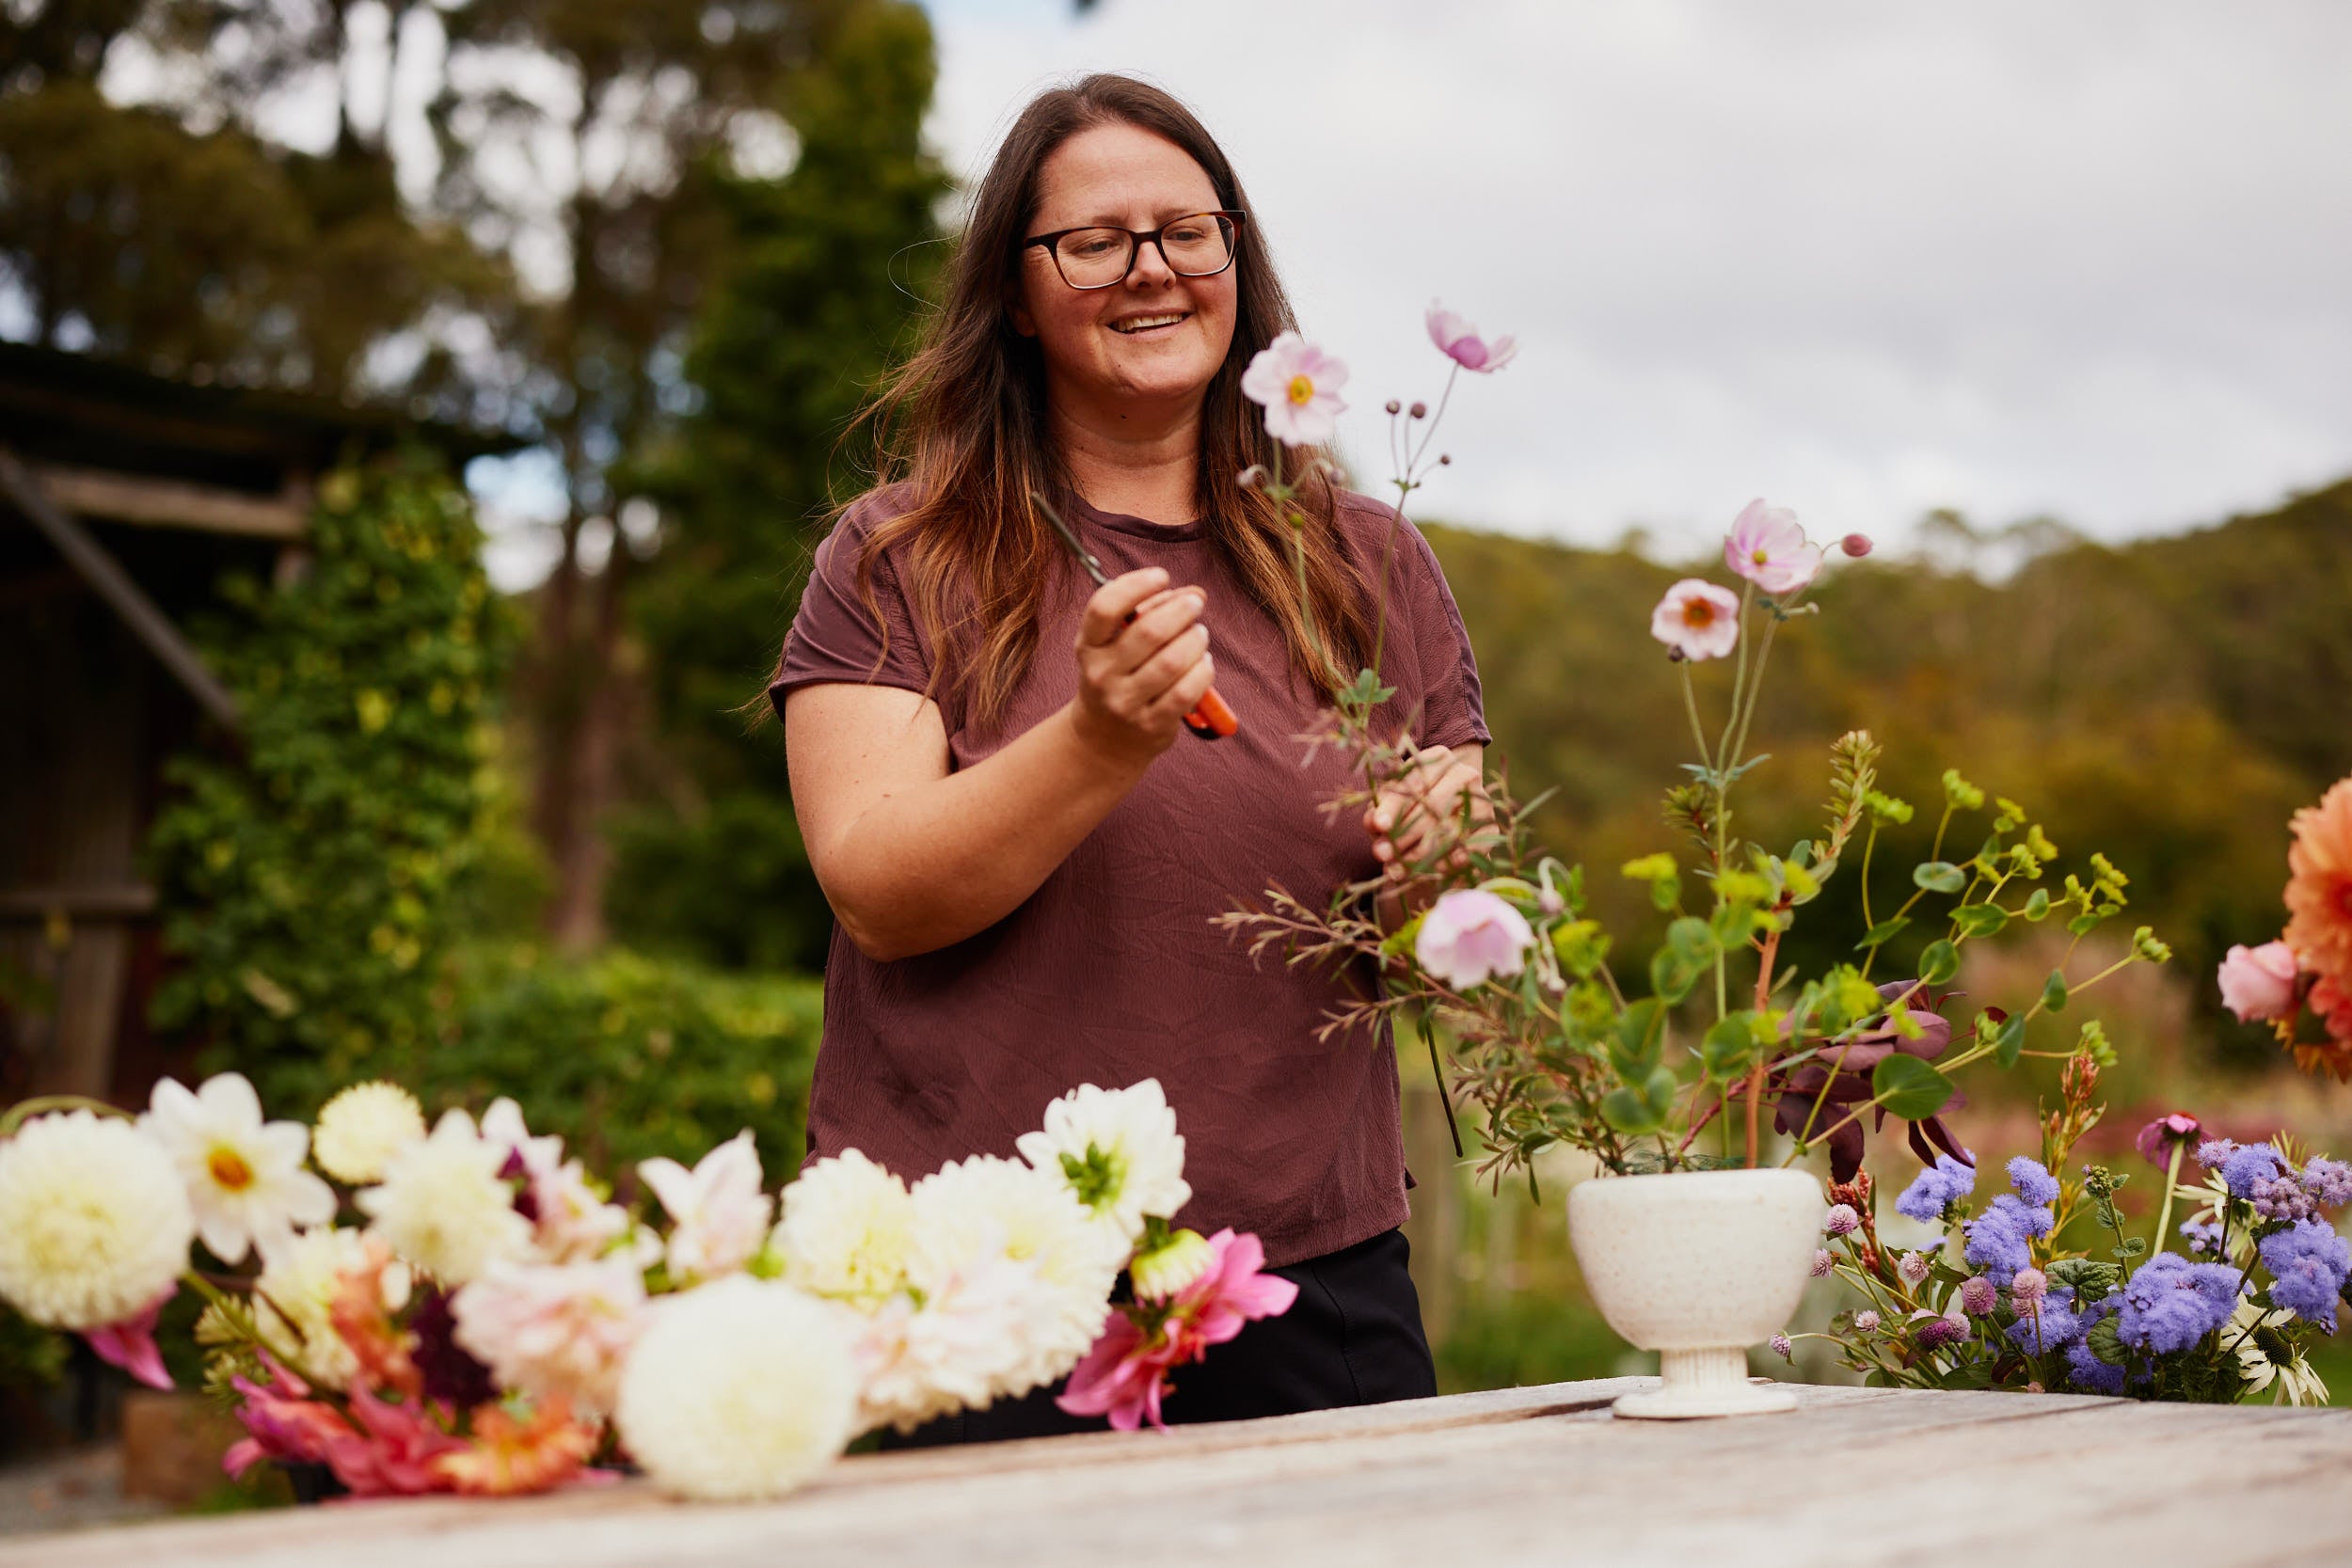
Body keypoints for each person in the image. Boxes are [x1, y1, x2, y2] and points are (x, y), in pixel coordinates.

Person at [771, 73, 1490, 1442]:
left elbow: (1439, 966)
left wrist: (1443, 884)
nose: (1151, 269)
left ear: (1238, 261)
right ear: (1018, 294)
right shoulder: (900, 556)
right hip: (970, 1298)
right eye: (1095, 242)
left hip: (1307, 1292)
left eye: (1187, 230)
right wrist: (1099, 741)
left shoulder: (1368, 567)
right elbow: (874, 885)